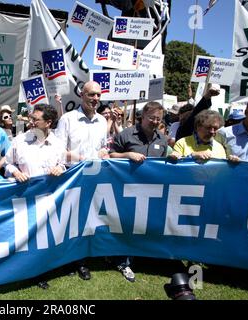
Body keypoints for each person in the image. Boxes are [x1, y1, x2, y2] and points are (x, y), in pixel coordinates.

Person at [55, 81, 109, 281]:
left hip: (95, 177)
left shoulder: (103, 121)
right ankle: (70, 260)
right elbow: (58, 151)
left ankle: (83, 259)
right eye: (91, 95)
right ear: (81, 95)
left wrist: (104, 152)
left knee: (89, 220)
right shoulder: (68, 119)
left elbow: (104, 147)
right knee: (71, 221)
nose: (95, 99)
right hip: (73, 178)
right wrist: (79, 159)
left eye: (98, 95)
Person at [109, 101, 168, 282]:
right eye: (151, 118)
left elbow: (164, 165)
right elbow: (110, 155)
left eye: (158, 119)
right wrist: (128, 155)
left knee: (144, 225)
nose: (155, 121)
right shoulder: (127, 135)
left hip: (152, 191)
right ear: (142, 116)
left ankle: (141, 255)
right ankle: (123, 261)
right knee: (126, 224)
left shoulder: (162, 139)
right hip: (127, 189)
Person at [5, 104, 65, 182]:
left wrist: (60, 168)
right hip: (25, 192)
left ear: (48, 123)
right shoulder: (19, 141)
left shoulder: (57, 144)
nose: (31, 122)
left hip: (50, 192)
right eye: (31, 118)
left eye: (36, 120)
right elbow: (8, 164)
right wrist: (16, 173)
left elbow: (63, 164)